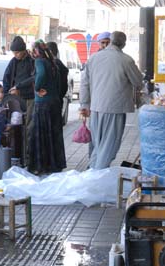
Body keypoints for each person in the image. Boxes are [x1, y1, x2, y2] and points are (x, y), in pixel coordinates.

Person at [79, 31, 143, 169]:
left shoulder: (93, 58)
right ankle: (97, 178)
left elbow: (84, 83)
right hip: (115, 108)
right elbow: (138, 81)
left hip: (95, 108)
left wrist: (84, 104)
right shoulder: (126, 60)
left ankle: (92, 172)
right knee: (109, 145)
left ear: (111, 41)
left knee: (97, 145)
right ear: (124, 44)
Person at [28, 40, 66, 174]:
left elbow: (41, 74)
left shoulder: (39, 61)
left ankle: (41, 165)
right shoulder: (52, 62)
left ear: (36, 51)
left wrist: (37, 88)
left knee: (41, 133)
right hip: (54, 102)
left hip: (43, 103)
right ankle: (55, 164)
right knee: (53, 134)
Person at [2, 36, 35, 157]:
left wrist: (19, 88)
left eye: (17, 52)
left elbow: (34, 78)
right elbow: (6, 78)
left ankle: (27, 154)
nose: (15, 55)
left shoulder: (32, 60)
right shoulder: (13, 62)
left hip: (29, 98)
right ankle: (16, 153)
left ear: (23, 50)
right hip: (14, 100)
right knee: (15, 126)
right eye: (14, 53)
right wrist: (6, 95)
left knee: (29, 126)